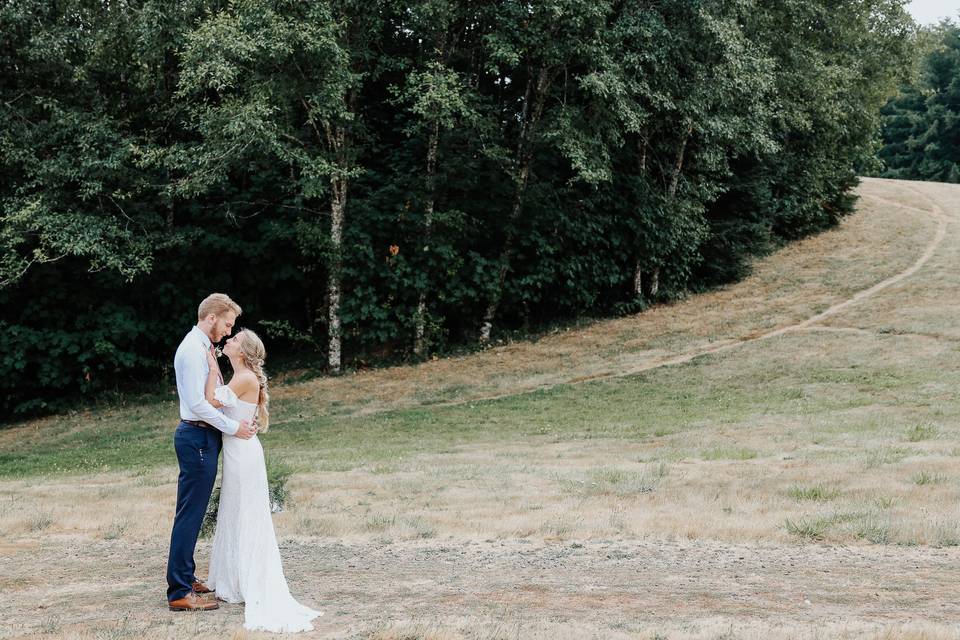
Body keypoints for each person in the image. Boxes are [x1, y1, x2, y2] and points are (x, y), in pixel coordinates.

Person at [205, 328, 322, 632]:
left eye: (233, 341)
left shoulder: (243, 378)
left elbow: (209, 401)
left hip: (243, 456)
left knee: (246, 515)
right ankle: (235, 580)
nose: (227, 342)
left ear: (241, 352)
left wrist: (211, 365)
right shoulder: (241, 376)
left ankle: (249, 581)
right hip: (238, 453)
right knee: (234, 512)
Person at [167, 293, 257, 611]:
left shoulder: (204, 348)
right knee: (190, 515)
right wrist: (234, 429)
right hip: (197, 437)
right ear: (211, 317)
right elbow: (198, 405)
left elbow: (218, 397)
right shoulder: (193, 350)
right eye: (227, 324)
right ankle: (178, 591)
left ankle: (186, 576)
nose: (228, 332)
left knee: (192, 511)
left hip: (205, 438)